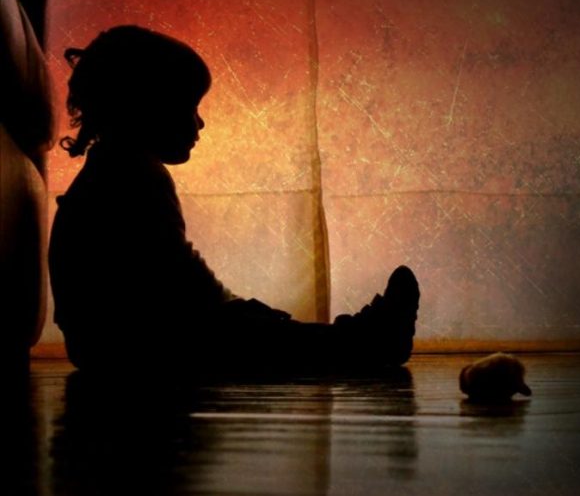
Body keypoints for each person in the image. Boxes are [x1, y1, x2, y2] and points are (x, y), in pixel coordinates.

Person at [48, 25, 419, 377]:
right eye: (190, 107)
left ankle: (354, 338)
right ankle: (364, 342)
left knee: (257, 329)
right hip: (138, 346)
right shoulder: (134, 174)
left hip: (101, 346)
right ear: (148, 107)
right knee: (262, 338)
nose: (200, 123)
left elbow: (171, 276)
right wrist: (239, 314)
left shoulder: (112, 169)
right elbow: (182, 283)